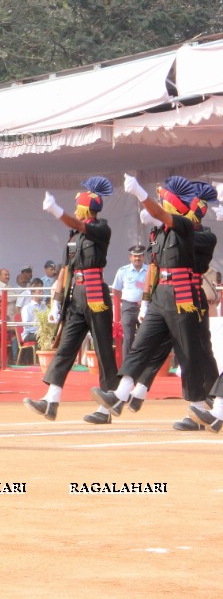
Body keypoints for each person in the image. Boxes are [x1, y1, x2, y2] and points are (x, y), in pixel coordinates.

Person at [93, 175, 214, 420]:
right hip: (161, 294)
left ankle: (199, 408)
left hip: (183, 295)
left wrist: (140, 194)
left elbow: (163, 214)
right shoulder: (161, 232)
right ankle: (120, 394)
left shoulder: (185, 226)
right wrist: (146, 300)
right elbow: (155, 267)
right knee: (141, 344)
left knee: (189, 353)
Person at [24, 177, 119, 423]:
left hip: (96, 294)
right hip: (75, 295)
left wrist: (56, 211)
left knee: (102, 351)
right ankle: (50, 400)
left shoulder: (101, 228)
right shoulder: (73, 234)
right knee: (65, 348)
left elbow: (79, 223)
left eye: (78, 205)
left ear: (87, 208)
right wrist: (56, 301)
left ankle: (106, 407)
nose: (75, 209)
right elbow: (65, 268)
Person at [132, 182, 219, 430]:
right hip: (171, 297)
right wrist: (147, 301)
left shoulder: (202, 236)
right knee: (187, 351)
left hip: (190, 299)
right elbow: (157, 267)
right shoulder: (172, 233)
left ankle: (206, 404)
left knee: (197, 352)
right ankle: (201, 406)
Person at [111, 244, 148, 359]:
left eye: (140, 256)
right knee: (128, 338)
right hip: (128, 307)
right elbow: (116, 290)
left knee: (145, 336)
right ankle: (127, 368)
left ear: (143, 257)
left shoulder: (149, 270)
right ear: (130, 257)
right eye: (135, 256)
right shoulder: (123, 271)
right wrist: (122, 303)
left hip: (145, 306)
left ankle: (142, 365)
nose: (137, 258)